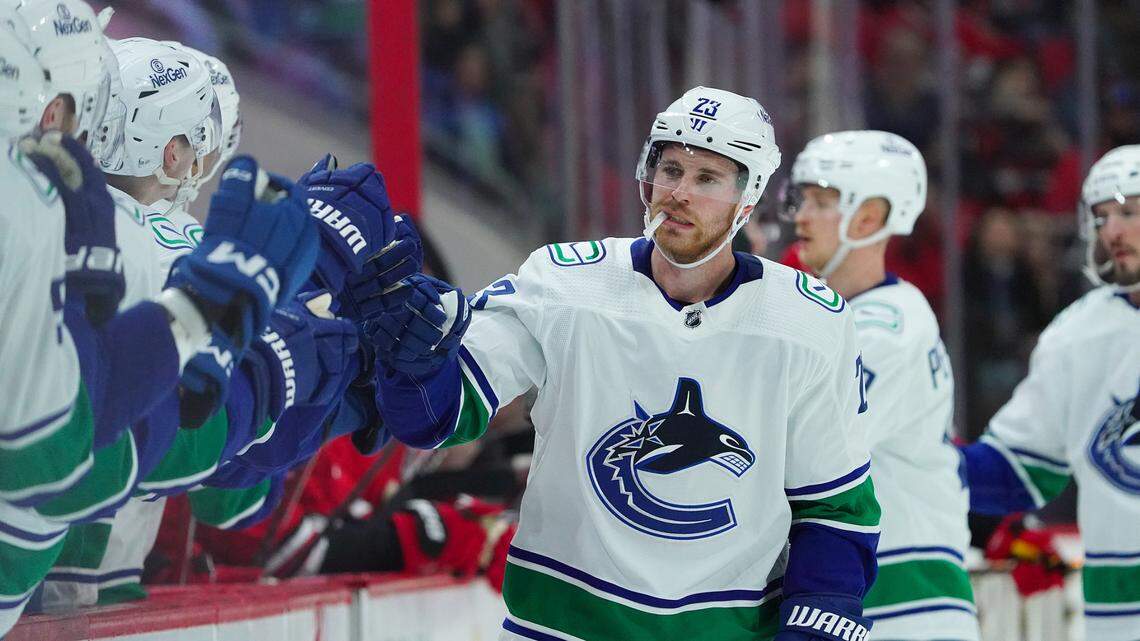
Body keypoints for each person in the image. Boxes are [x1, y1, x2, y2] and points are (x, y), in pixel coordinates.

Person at [365, 87, 880, 641]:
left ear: (747, 200)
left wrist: (817, 627)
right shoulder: (565, 285)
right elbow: (436, 416)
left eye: (707, 179)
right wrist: (413, 360)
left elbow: (835, 509)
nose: (679, 193)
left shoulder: (807, 323)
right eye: (672, 169)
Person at [0, 1, 321, 631]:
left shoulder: (46, 209)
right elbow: (225, 490)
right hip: (86, 592)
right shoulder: (196, 259)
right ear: (174, 152)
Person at [787, 131, 979, 641]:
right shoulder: (853, 316)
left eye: (821, 202)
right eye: (803, 199)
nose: (801, 216)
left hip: (907, 602)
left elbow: (803, 453)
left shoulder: (887, 330)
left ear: (868, 218)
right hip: (889, 598)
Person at [961, 145, 1140, 641]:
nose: (1113, 231)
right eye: (1103, 216)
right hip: (1118, 614)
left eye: (1128, 211)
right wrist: (924, 460)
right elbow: (1017, 470)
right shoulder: (1079, 334)